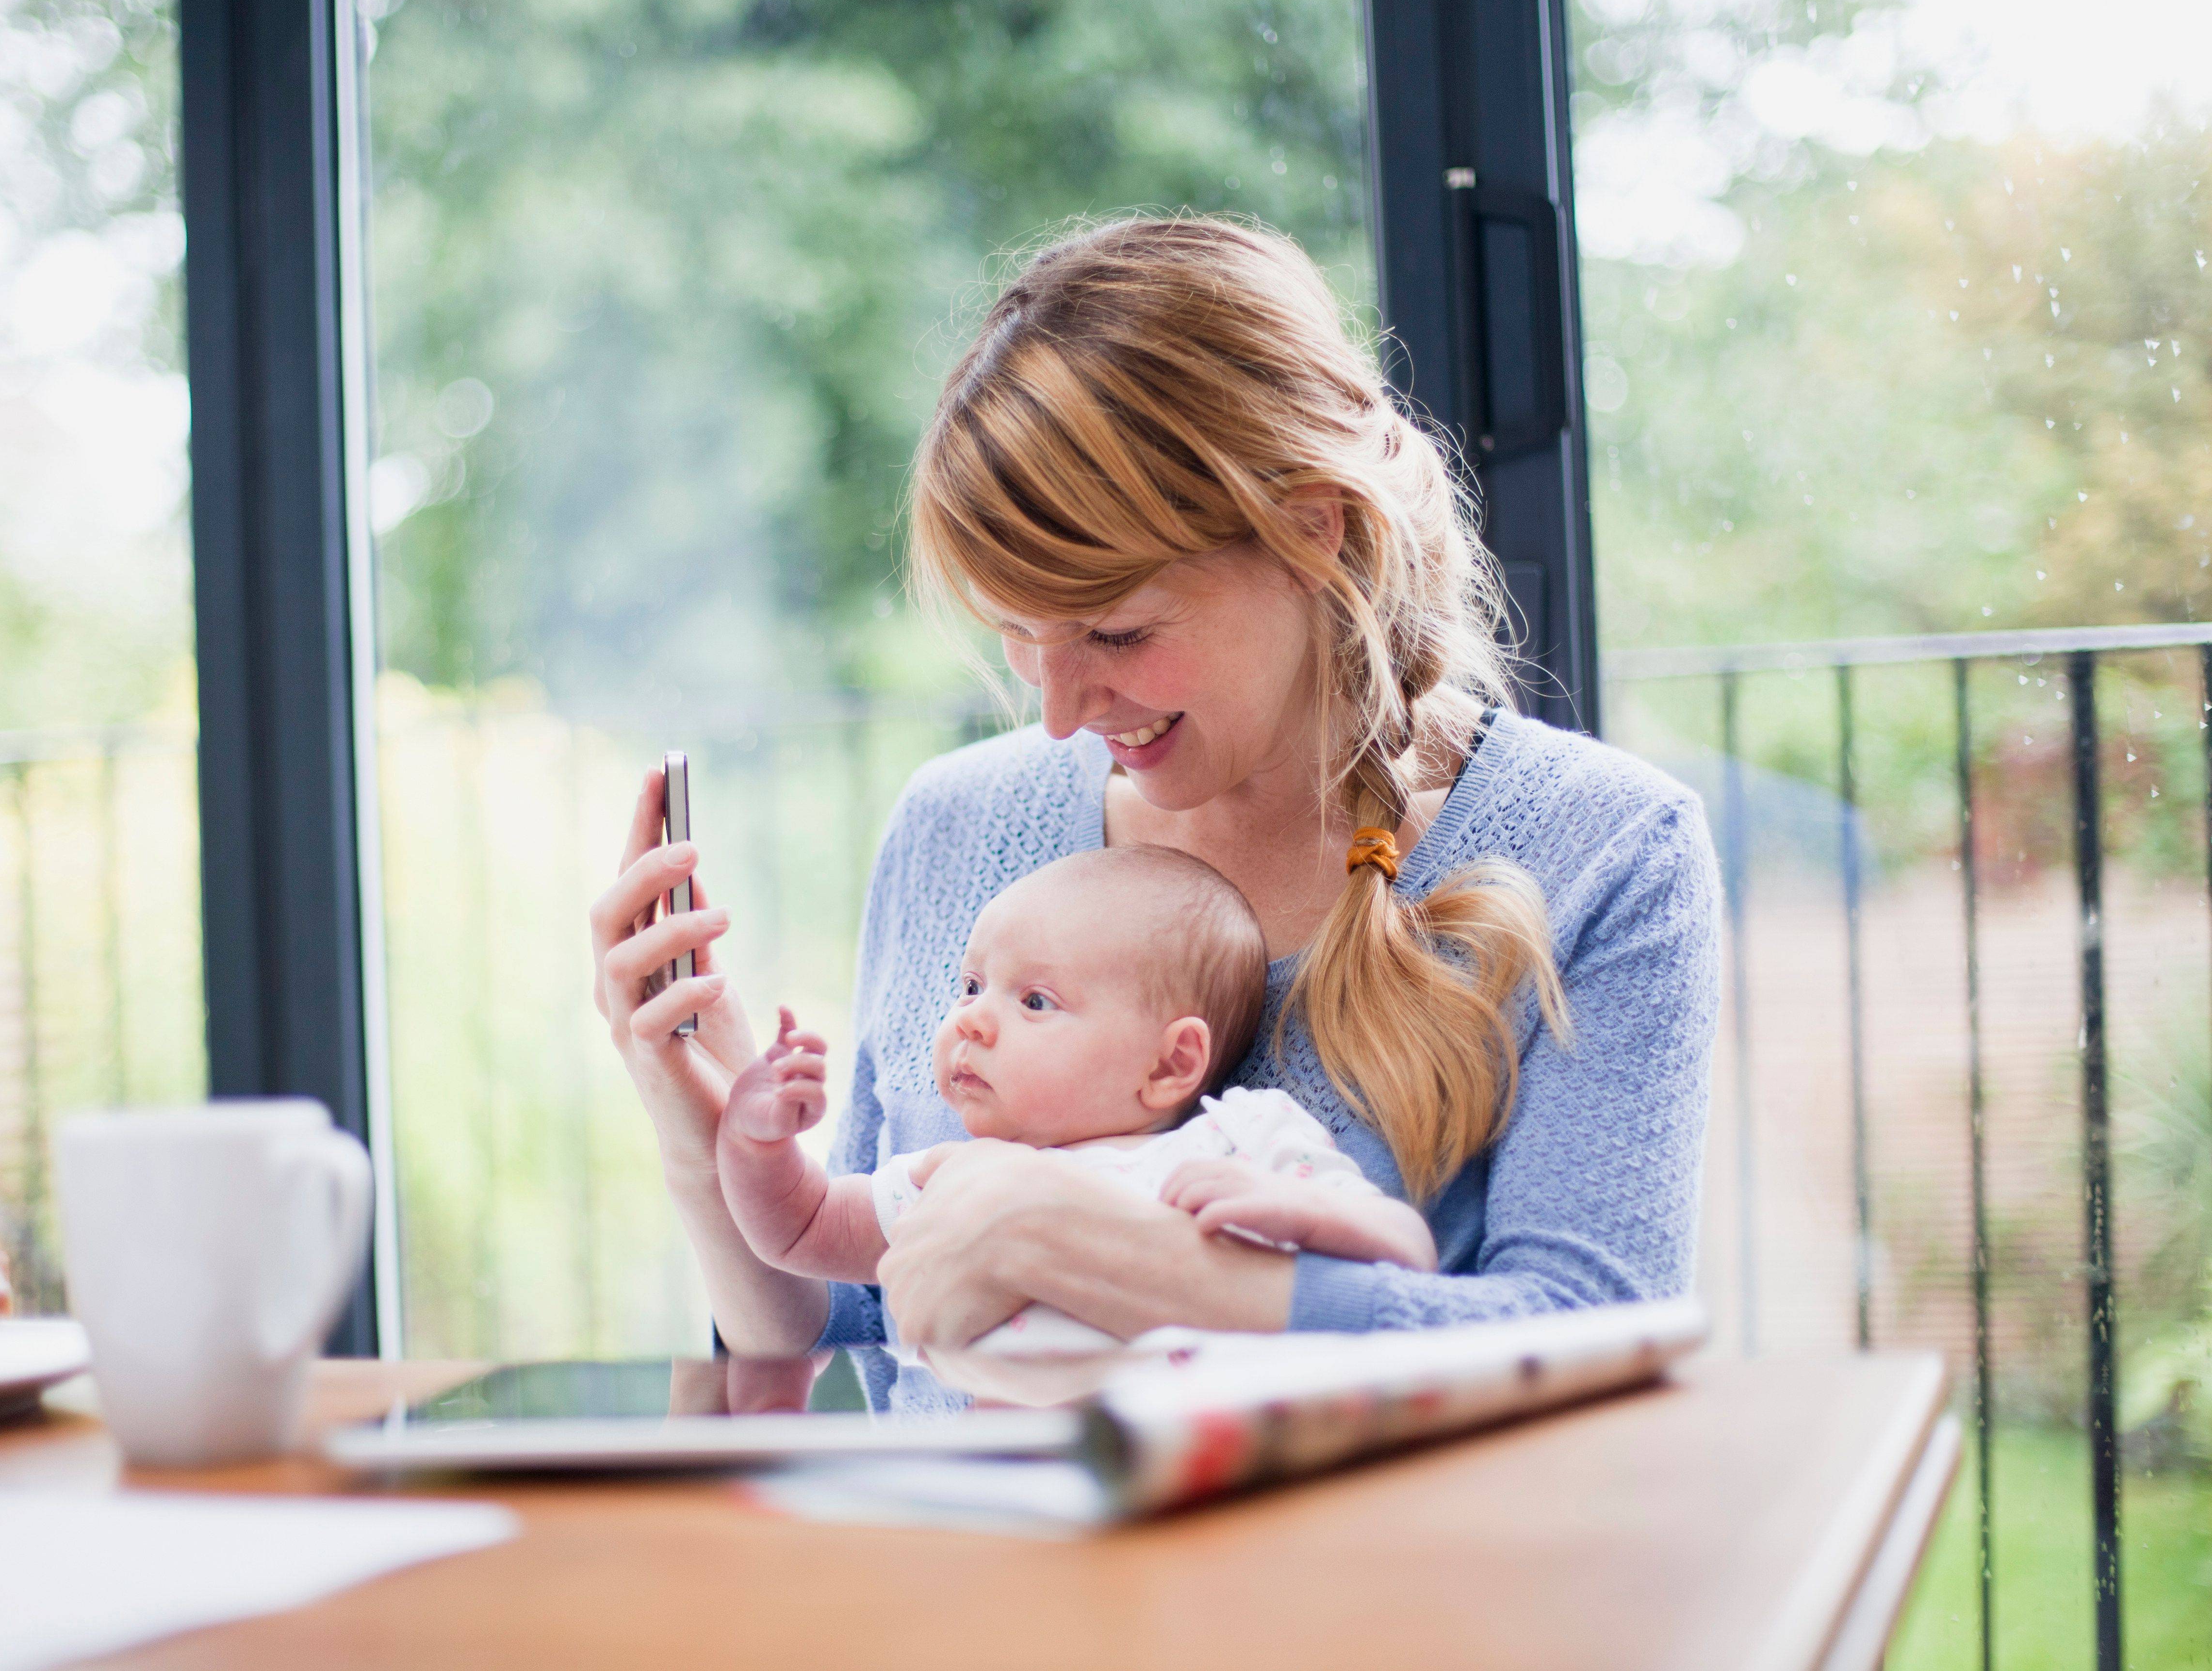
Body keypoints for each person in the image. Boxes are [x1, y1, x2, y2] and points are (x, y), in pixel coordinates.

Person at [590, 213, 1720, 1411]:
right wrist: (695, 1134)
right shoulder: (959, 824)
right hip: (965, 1580)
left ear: (1307, 529)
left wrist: (1117, 1259)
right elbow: (851, 1320)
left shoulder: (1602, 852)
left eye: (1116, 634)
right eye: (1018, 640)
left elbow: (1594, 1335)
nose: (1064, 713)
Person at [716, 847, 1439, 1357]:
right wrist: (756, 1144)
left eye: (1035, 1000)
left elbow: (1407, 1255)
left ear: (1171, 1063)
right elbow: (799, 1232)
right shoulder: (964, 1181)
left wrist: (1298, 1210)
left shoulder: (1240, 1139)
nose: (970, 1019)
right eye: (971, 986)